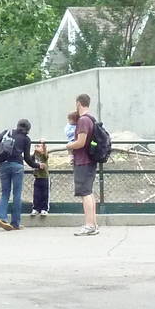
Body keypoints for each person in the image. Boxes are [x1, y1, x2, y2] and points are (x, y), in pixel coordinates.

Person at [52, 93, 99, 237]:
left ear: (78, 103)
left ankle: (89, 225)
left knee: (85, 193)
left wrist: (68, 146)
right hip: (89, 160)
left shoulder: (83, 120)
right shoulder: (91, 119)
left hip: (83, 161)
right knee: (89, 192)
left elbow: (81, 142)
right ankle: (93, 224)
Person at [0, 118, 35, 231]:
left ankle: (1, 217)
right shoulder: (26, 139)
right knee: (17, 195)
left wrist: (5, 133)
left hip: (3, 165)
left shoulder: (9, 132)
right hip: (17, 166)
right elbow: (27, 158)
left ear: (17, 125)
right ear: (28, 129)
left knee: (5, 193)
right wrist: (37, 165)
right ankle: (15, 223)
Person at [30, 140, 51, 217]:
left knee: (45, 194)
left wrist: (44, 144)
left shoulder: (44, 155)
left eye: (39, 146)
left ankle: (44, 209)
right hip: (37, 177)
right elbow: (30, 161)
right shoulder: (35, 155)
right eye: (36, 146)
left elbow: (45, 153)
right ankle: (36, 208)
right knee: (36, 194)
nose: (37, 147)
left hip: (44, 177)